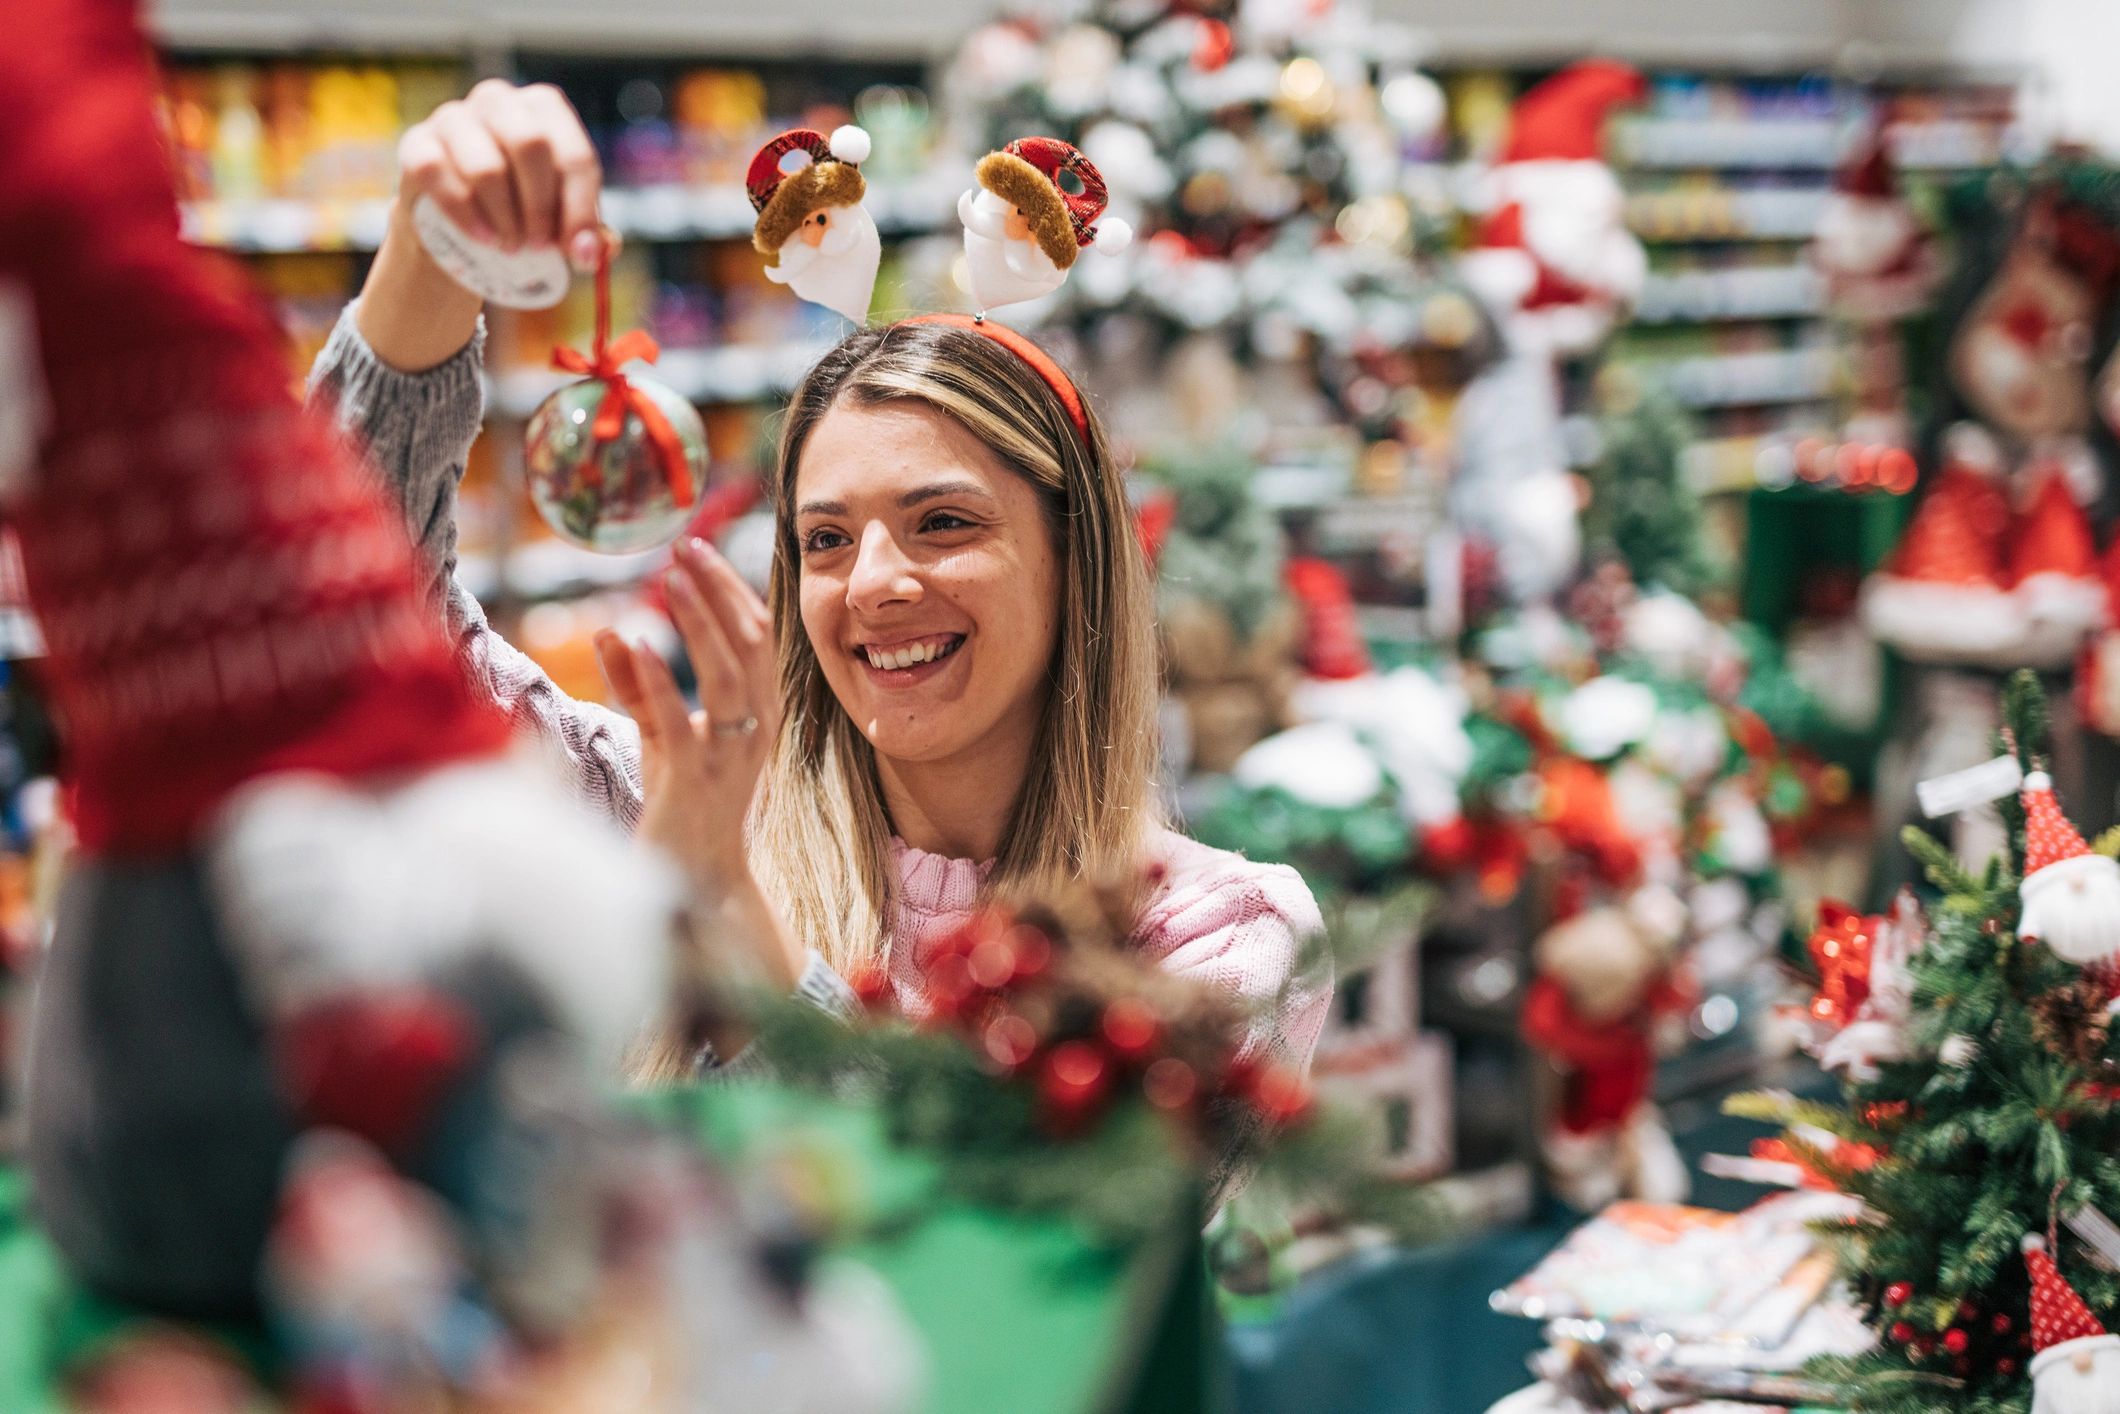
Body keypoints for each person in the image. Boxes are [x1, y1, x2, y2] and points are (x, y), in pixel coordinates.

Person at [323, 80, 1331, 1083]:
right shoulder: (673, 805)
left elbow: (998, 1229)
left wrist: (733, 913)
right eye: (826, 539)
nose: (873, 583)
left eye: (942, 522)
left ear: (1076, 560)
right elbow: (356, 605)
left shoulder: (1216, 934)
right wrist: (429, 257)